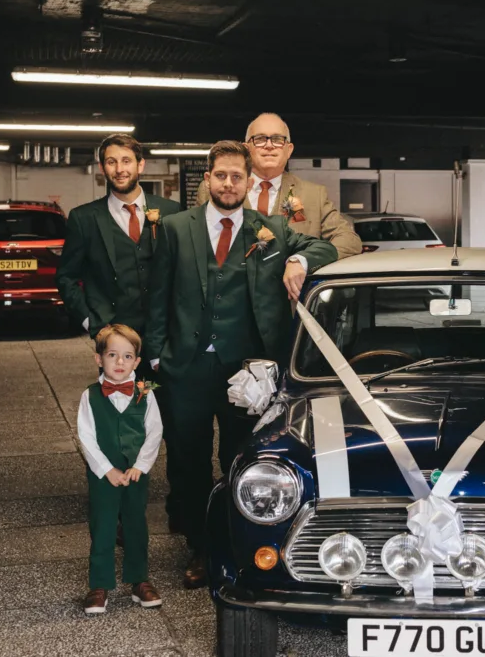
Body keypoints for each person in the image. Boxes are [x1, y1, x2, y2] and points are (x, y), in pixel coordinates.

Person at [146, 140, 338, 588]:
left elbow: (326, 249)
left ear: (250, 183)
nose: (229, 183)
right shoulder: (175, 228)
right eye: (221, 175)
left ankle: (234, 542)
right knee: (187, 462)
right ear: (207, 180)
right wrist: (157, 356)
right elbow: (157, 294)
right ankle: (197, 545)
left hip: (247, 373)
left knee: (239, 459)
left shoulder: (269, 228)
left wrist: (297, 258)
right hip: (186, 368)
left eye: (237, 176)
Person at [57, 133, 182, 370]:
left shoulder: (172, 211)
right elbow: (66, 277)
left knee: (170, 406)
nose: (119, 169)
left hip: (166, 336)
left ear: (140, 165)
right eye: (111, 162)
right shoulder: (84, 218)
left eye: (126, 161)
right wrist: (92, 323)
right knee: (119, 405)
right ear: (103, 168)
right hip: (113, 340)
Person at [77, 324, 164, 614]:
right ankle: (99, 585)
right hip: (104, 475)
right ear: (98, 359)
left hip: (135, 473)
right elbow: (86, 437)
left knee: (136, 524)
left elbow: (154, 432)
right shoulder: (89, 396)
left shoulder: (146, 392)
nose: (119, 362)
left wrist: (141, 465)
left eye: (127, 357)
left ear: (137, 362)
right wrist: (105, 469)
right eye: (112, 355)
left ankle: (139, 580)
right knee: (102, 525)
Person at [195, 112, 362, 259]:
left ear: (289, 150)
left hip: (290, 293)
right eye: (260, 139)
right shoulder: (213, 190)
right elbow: (196, 245)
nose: (269, 145)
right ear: (246, 149)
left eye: (277, 139)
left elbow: (349, 239)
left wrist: (304, 260)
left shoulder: (314, 195)